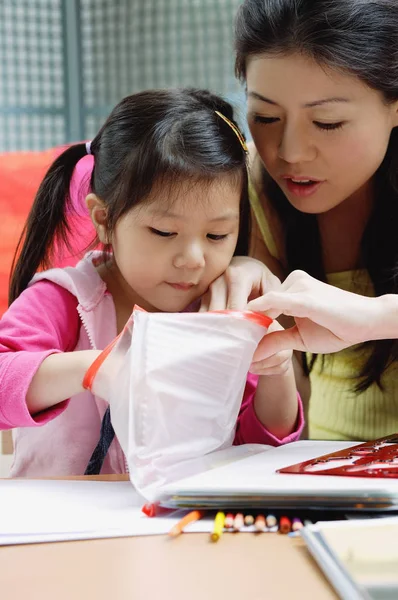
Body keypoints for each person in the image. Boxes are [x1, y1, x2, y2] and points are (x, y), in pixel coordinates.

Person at [0, 88, 302, 477]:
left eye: (216, 236)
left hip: (172, 523)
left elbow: (259, 443)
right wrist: (93, 369)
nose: (193, 260)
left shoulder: (217, 309)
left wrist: (277, 371)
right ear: (104, 220)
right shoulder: (63, 298)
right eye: (163, 232)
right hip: (60, 526)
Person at [227, 0, 398, 441]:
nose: (290, 152)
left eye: (327, 122)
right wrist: (241, 265)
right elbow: (285, 415)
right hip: (325, 477)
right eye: (265, 117)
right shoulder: (249, 192)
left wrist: (377, 316)